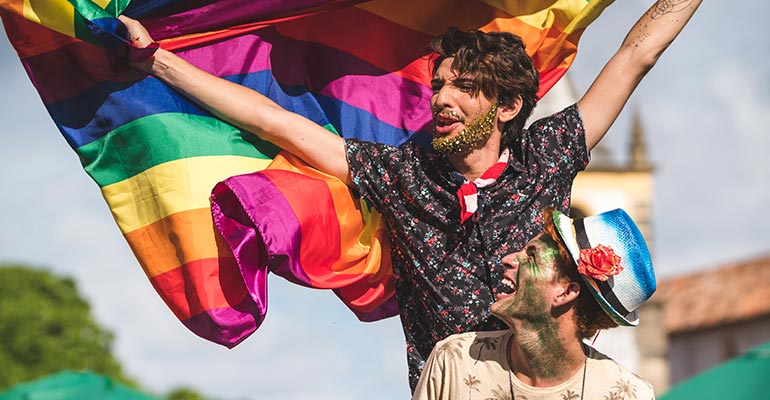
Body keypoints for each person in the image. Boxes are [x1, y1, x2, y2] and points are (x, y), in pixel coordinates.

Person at [119, 0, 700, 390]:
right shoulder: (400, 174)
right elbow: (280, 125)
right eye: (439, 84)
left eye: (463, 88)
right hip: (450, 387)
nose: (441, 98)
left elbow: (635, 55)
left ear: (506, 107)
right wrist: (158, 62)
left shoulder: (545, 155)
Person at [413, 207, 657, 399]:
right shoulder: (455, 361)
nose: (507, 259)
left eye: (531, 257)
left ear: (566, 292)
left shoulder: (628, 395)